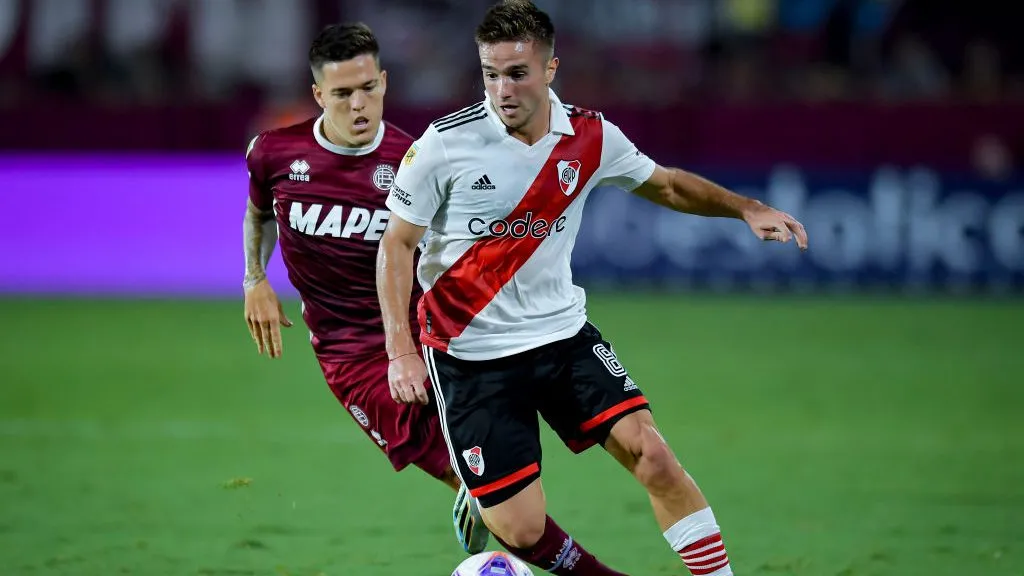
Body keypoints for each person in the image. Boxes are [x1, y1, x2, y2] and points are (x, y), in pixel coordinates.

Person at [376, 2, 809, 575]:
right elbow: (396, 247)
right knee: (521, 528)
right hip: (471, 356)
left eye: (517, 73)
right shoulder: (443, 145)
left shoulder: (590, 136)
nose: (502, 89)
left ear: (551, 68)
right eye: (490, 74)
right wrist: (401, 352)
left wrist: (745, 209)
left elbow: (669, 186)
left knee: (653, 456)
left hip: (561, 336)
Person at [241, 22, 488, 554]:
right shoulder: (273, 153)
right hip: (349, 352)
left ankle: (506, 537)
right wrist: (254, 278)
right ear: (317, 95)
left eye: (368, 89)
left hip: (425, 333)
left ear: (384, 82)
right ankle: (504, 529)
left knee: (492, 468)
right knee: (465, 475)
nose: (359, 105)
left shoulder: (415, 161)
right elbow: (259, 214)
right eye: (342, 94)